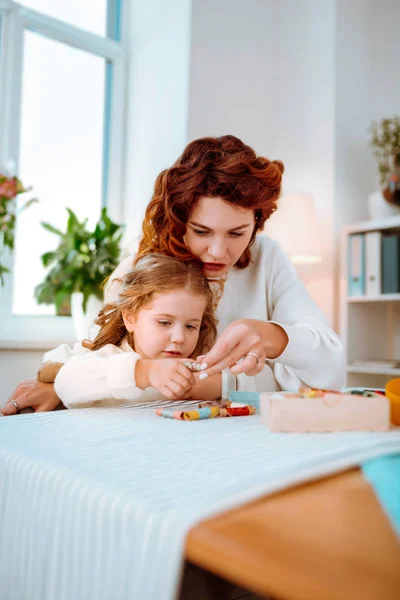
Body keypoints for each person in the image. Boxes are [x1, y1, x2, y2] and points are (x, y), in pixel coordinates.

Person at [3, 134, 345, 415]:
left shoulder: (266, 257)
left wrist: (268, 336)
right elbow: (97, 352)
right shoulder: (147, 265)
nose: (217, 251)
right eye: (201, 231)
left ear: (257, 221)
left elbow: (331, 369)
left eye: (237, 234)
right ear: (180, 219)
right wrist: (58, 386)